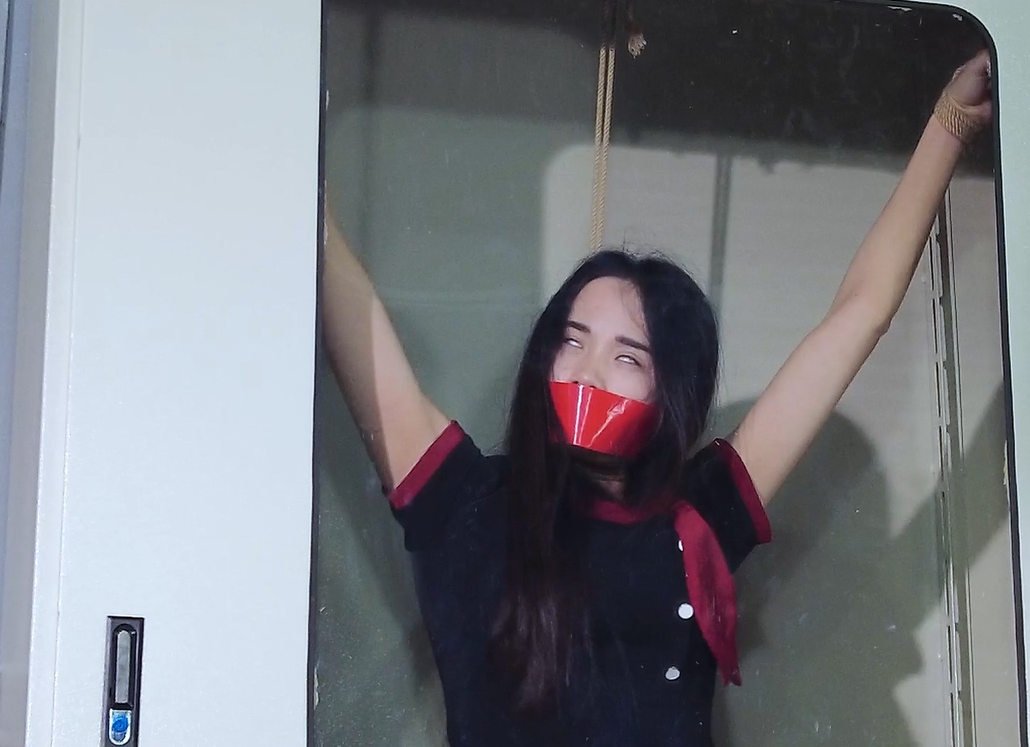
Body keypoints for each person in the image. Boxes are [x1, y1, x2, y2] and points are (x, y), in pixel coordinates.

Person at [321, 51, 993, 747]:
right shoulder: (463, 501)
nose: (588, 373)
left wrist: (951, 123)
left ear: (671, 390)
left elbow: (860, 314)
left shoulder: (698, 517)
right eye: (572, 340)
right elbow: (348, 307)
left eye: (627, 357)